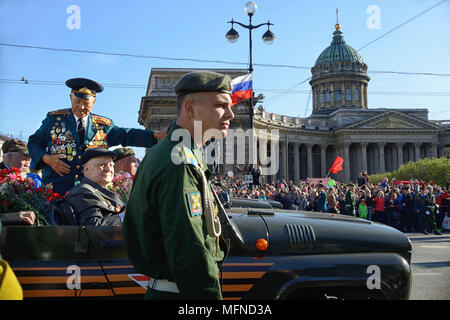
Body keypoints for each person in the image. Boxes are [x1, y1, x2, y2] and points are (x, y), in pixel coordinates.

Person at [122, 71, 233, 300]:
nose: (230, 114)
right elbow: (189, 248)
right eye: (221, 105)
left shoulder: (175, 152)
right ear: (190, 109)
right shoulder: (180, 161)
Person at [27, 78, 166, 195]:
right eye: (77, 102)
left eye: (86, 104)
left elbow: (126, 135)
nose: (81, 107)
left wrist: (156, 135)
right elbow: (34, 143)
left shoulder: (103, 125)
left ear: (93, 101)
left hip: (92, 191)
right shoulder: (54, 120)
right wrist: (48, 159)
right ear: (71, 98)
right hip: (57, 188)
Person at [67, 148, 125, 226]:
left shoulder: (103, 191)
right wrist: (125, 216)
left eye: (111, 165)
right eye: (102, 165)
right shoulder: (82, 192)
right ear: (86, 168)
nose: (109, 169)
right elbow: (93, 226)